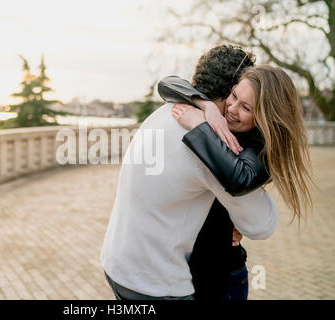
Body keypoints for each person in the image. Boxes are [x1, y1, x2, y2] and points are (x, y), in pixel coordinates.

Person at [100, 47, 279, 299]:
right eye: (235, 95)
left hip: (117, 265)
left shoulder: (164, 112)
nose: (232, 107)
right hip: (156, 285)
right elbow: (262, 224)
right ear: (230, 90)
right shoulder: (209, 142)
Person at [161, 64, 314, 299]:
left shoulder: (262, 148)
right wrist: (207, 106)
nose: (231, 109)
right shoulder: (220, 115)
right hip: (188, 269)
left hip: (222, 277)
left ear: (265, 117)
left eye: (246, 107)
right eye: (234, 96)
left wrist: (199, 126)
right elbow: (167, 83)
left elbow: (239, 178)